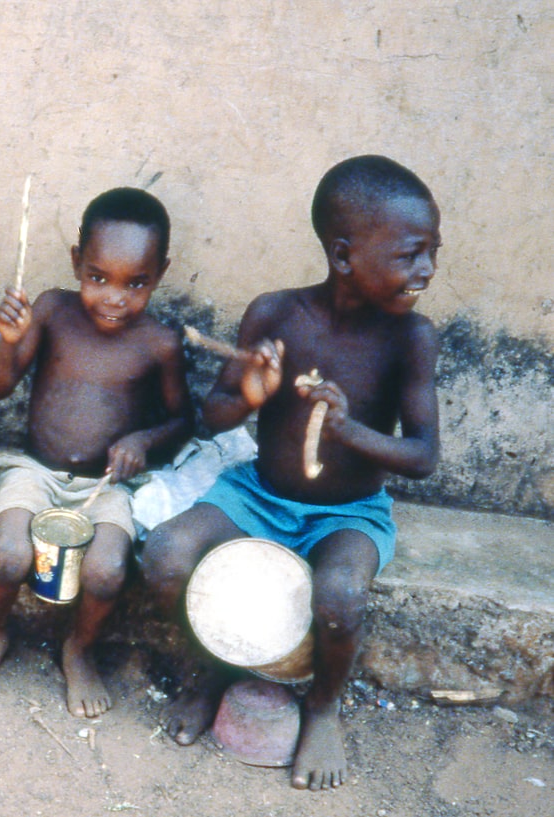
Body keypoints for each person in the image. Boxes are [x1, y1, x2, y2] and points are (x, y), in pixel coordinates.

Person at [140, 155, 441, 790]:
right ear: (343, 255)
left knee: (340, 598)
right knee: (166, 554)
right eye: (411, 254)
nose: (427, 270)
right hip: (257, 495)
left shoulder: (411, 339)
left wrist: (350, 429)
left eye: (432, 252)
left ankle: (323, 707)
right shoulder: (275, 314)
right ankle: (211, 669)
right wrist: (252, 393)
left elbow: (422, 456)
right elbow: (214, 418)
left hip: (349, 512)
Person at [0, 187, 193, 718]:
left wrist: (143, 441)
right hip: (35, 471)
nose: (114, 298)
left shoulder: (159, 343)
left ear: (161, 272)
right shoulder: (54, 310)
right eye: (98, 277)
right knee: (9, 554)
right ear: (76, 262)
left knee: (107, 571)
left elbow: (182, 420)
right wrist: (9, 342)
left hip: (108, 484)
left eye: (137, 283)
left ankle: (78, 649)